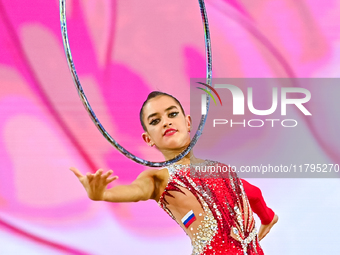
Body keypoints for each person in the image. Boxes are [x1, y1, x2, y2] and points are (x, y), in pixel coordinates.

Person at [70, 91, 278, 255]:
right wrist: (104, 194)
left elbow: (252, 193)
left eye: (172, 114)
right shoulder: (160, 179)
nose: (166, 122)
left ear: (187, 122)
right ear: (148, 139)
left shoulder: (220, 170)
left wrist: (268, 217)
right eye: (155, 121)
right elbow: (136, 190)